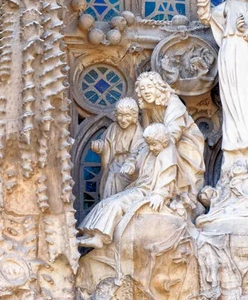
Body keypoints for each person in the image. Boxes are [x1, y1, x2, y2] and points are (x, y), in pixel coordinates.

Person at [78, 123, 177, 249]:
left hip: (146, 193)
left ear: (164, 142)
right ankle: (88, 233)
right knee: (106, 202)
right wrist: (131, 165)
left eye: (154, 144)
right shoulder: (148, 150)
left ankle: (99, 237)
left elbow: (168, 179)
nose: (151, 148)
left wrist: (160, 195)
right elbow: (135, 157)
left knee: (117, 204)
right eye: (149, 144)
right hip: (138, 188)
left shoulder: (167, 156)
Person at [197, 0, 248, 159]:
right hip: (229, 52)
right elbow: (206, 17)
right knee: (230, 94)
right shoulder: (227, 6)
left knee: (246, 92)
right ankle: (235, 140)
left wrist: (247, 29)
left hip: (247, 51)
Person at [135, 71, 205, 203]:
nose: (146, 92)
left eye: (150, 87)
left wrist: (160, 144)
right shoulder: (147, 107)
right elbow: (145, 133)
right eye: (142, 89)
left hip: (185, 143)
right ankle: (146, 188)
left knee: (165, 149)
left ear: (159, 88)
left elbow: (174, 132)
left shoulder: (173, 102)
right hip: (159, 141)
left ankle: (167, 193)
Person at [91, 98, 145, 199]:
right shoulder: (113, 128)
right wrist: (100, 147)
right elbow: (106, 144)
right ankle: (108, 204)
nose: (123, 120)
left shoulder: (138, 132)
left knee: (116, 177)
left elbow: (139, 151)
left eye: (127, 115)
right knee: (112, 175)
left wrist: (130, 164)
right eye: (120, 115)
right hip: (112, 163)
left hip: (127, 168)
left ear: (134, 116)